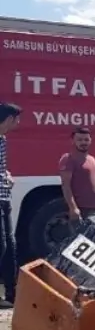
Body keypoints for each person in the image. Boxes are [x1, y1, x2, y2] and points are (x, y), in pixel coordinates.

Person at [59, 127, 95, 229]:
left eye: (86, 139)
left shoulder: (92, 159)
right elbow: (66, 186)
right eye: (79, 140)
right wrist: (73, 208)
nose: (83, 142)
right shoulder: (68, 159)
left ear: (91, 140)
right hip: (82, 210)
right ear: (72, 141)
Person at [0, 103, 22, 307]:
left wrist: (6, 176)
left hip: (4, 197)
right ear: (9, 119)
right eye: (17, 119)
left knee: (10, 245)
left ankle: (11, 294)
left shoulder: (3, 140)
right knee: (1, 245)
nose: (19, 123)